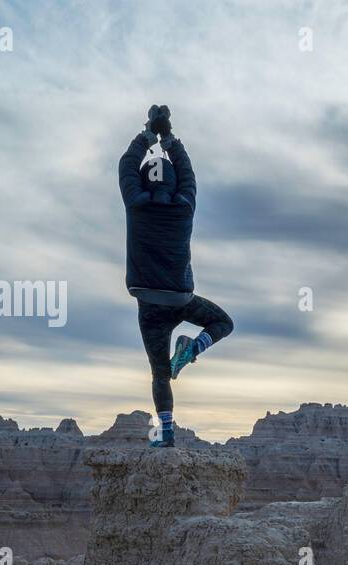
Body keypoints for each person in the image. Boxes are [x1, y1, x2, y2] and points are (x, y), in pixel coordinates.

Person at [118, 104, 233, 448]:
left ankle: (166, 433)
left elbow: (126, 164)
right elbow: (188, 172)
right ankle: (193, 348)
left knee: (158, 373)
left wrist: (147, 134)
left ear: (142, 178)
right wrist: (168, 137)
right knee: (223, 324)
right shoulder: (185, 203)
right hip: (180, 296)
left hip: (147, 300)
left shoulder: (134, 201)